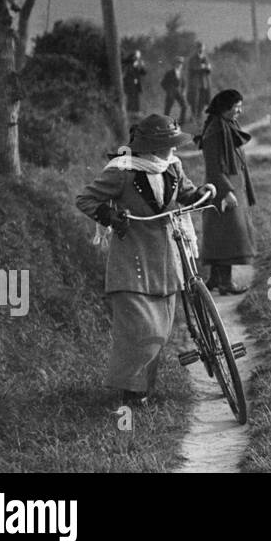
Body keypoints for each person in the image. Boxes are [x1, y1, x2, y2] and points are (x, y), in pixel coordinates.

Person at [75, 114, 211, 406]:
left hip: (165, 259)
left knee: (160, 331)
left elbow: (185, 193)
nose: (173, 149)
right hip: (132, 258)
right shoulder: (121, 171)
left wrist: (200, 193)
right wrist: (111, 216)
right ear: (151, 145)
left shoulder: (173, 166)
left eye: (174, 143)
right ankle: (130, 391)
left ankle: (141, 391)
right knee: (140, 329)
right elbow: (85, 199)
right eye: (168, 144)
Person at [195, 89, 254, 295]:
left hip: (232, 185)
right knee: (229, 235)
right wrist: (227, 191)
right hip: (222, 188)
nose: (239, 111)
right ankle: (226, 283)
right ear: (224, 108)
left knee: (221, 234)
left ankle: (213, 279)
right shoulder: (214, 131)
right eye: (236, 107)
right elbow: (213, 168)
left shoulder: (228, 125)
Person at [187, 43, 213, 116]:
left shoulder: (205, 58)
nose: (201, 50)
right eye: (199, 48)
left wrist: (207, 67)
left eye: (202, 48)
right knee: (194, 100)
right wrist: (201, 67)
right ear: (196, 49)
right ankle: (193, 115)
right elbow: (192, 69)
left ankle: (199, 114)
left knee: (202, 99)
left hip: (204, 82)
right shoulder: (192, 58)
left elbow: (209, 70)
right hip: (195, 82)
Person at [160, 56, 187, 124]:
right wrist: (168, 90)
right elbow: (163, 83)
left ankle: (181, 121)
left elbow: (184, 83)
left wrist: (183, 91)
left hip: (178, 92)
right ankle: (165, 122)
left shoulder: (182, 73)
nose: (179, 65)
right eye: (178, 63)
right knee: (168, 108)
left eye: (181, 63)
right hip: (171, 93)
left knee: (184, 106)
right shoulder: (169, 73)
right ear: (175, 63)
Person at [122, 50, 147, 117]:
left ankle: (135, 113)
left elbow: (143, 73)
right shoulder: (128, 65)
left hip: (136, 85)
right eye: (135, 57)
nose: (136, 58)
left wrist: (142, 66)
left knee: (136, 99)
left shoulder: (136, 65)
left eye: (137, 57)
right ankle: (129, 112)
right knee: (130, 99)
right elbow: (127, 75)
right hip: (129, 85)